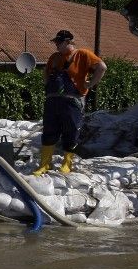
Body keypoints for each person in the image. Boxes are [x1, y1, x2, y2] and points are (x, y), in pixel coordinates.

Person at [33, 30, 106, 175]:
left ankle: (66, 164)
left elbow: (102, 67)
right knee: (49, 131)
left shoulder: (83, 54)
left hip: (72, 102)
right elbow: (46, 73)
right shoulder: (54, 57)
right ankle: (45, 164)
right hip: (52, 101)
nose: (56, 45)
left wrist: (90, 84)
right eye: (55, 42)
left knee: (71, 131)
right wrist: (47, 86)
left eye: (58, 42)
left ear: (68, 42)